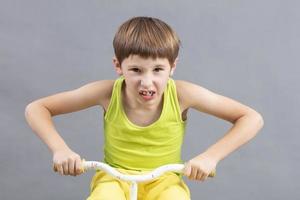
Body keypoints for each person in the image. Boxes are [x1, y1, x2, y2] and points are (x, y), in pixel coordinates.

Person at [25, 16, 264, 200]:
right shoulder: (107, 93)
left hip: (165, 181)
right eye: (136, 70)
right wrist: (60, 150)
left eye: (158, 70)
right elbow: (37, 108)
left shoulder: (182, 94)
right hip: (114, 179)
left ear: (173, 66)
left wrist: (211, 157)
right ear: (118, 65)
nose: (147, 82)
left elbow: (251, 118)